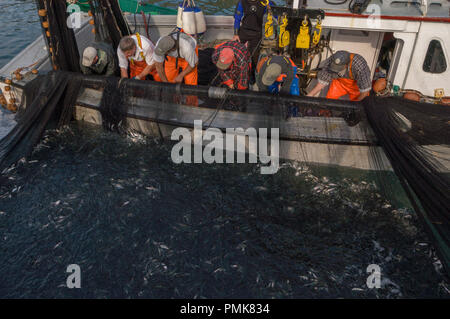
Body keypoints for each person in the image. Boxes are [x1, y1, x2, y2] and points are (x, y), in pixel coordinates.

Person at [233, 0, 276, 82]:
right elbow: (237, 18)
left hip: (257, 33)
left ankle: (252, 74)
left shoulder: (265, 2)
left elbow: (275, 16)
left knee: (254, 56)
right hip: (244, 31)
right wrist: (235, 34)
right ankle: (236, 72)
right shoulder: (242, 2)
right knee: (236, 52)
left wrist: (270, 9)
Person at [307, 50, 371, 101]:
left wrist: (356, 107)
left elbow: (365, 92)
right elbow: (322, 82)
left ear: (346, 65)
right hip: (339, 83)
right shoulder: (331, 60)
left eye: (338, 68)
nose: (336, 70)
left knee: (358, 106)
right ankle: (324, 113)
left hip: (356, 87)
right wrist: (310, 95)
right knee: (328, 102)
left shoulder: (359, 65)